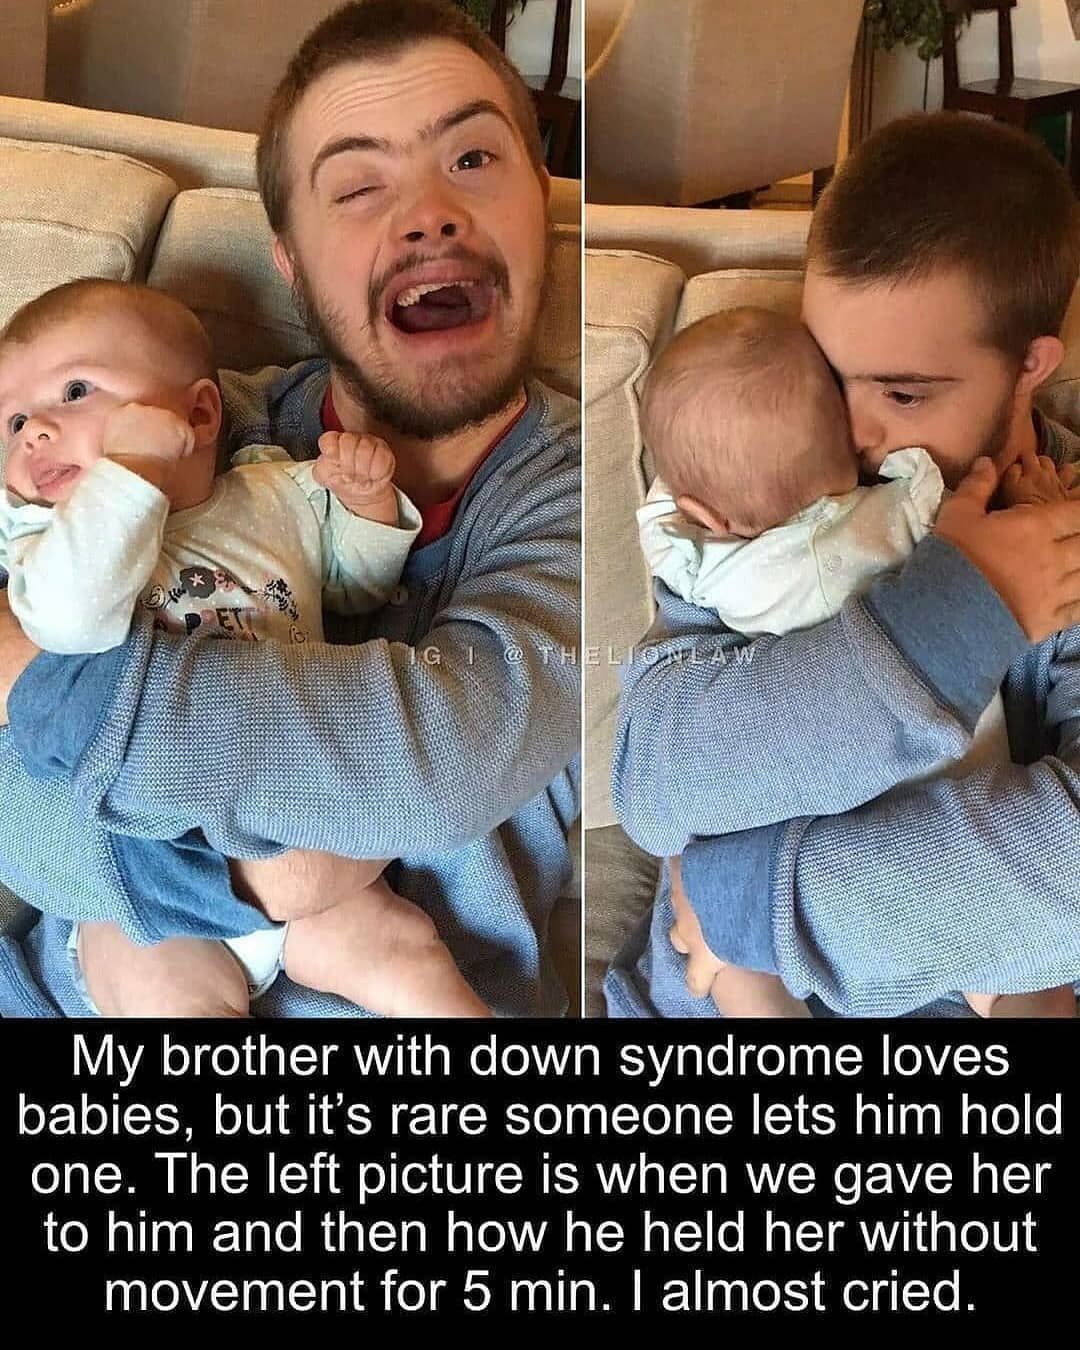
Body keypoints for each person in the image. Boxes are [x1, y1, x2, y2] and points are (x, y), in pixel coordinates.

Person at [0, 0, 580, 1019]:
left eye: (475, 160)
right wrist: (230, 885)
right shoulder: (196, 430)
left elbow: (442, 758)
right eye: (358, 185)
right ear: (292, 262)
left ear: (545, 197)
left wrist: (46, 691)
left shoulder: (584, 495)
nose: (428, 213)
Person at [605, 112, 1080, 1019]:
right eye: (833, 376)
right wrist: (958, 619)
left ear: (1030, 365)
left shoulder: (1065, 516)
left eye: (904, 392)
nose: (854, 440)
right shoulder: (778, 481)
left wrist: (744, 897)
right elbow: (657, 780)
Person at [0, 277, 493, 1019]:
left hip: (283, 814)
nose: (35, 429)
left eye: (75, 390)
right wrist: (128, 477)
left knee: (408, 949)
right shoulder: (45, 545)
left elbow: (355, 592)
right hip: (146, 883)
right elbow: (71, 620)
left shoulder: (276, 495)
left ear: (199, 413)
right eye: (11, 423)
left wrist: (365, 508)